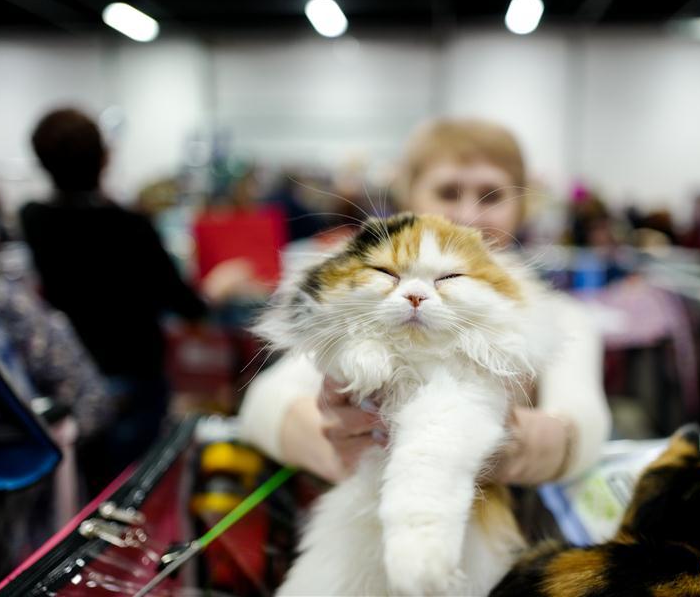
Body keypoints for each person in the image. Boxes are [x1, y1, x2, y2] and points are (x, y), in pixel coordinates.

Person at [239, 119, 611, 487]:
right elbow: (262, 405)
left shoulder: (561, 315)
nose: (468, 217)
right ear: (409, 199)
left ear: (520, 208)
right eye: (448, 193)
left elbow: (585, 426)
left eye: (492, 196)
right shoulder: (373, 301)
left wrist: (506, 443)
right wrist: (341, 443)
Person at [20, 108, 208, 491]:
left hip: (71, 377)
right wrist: (216, 291)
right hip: (133, 372)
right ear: (105, 158)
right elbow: (184, 303)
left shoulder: (34, 220)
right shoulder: (131, 226)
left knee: (84, 489)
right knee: (135, 490)